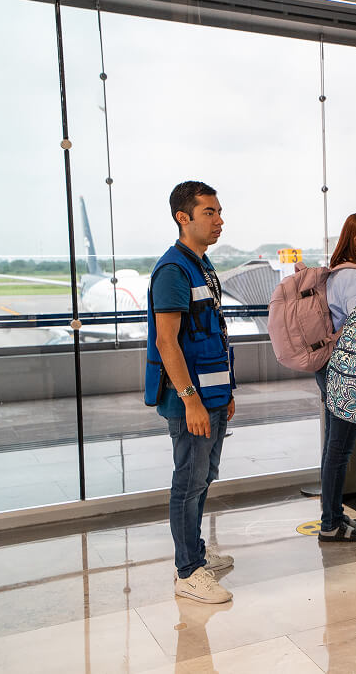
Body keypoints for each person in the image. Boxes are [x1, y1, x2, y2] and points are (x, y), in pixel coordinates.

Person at [144, 181, 236, 604]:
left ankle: (196, 554)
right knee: (188, 480)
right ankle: (187, 571)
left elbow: (214, 332)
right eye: (209, 213)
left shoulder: (202, 265)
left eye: (218, 212)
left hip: (213, 395)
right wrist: (191, 399)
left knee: (204, 477)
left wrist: (226, 391)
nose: (219, 220)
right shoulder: (173, 270)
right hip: (191, 400)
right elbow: (167, 343)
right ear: (184, 217)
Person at [314, 213, 356, 542]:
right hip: (345, 369)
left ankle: (335, 515)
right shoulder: (354, 278)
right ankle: (330, 523)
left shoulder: (336, 273)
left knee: (334, 446)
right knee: (339, 449)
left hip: (329, 366)